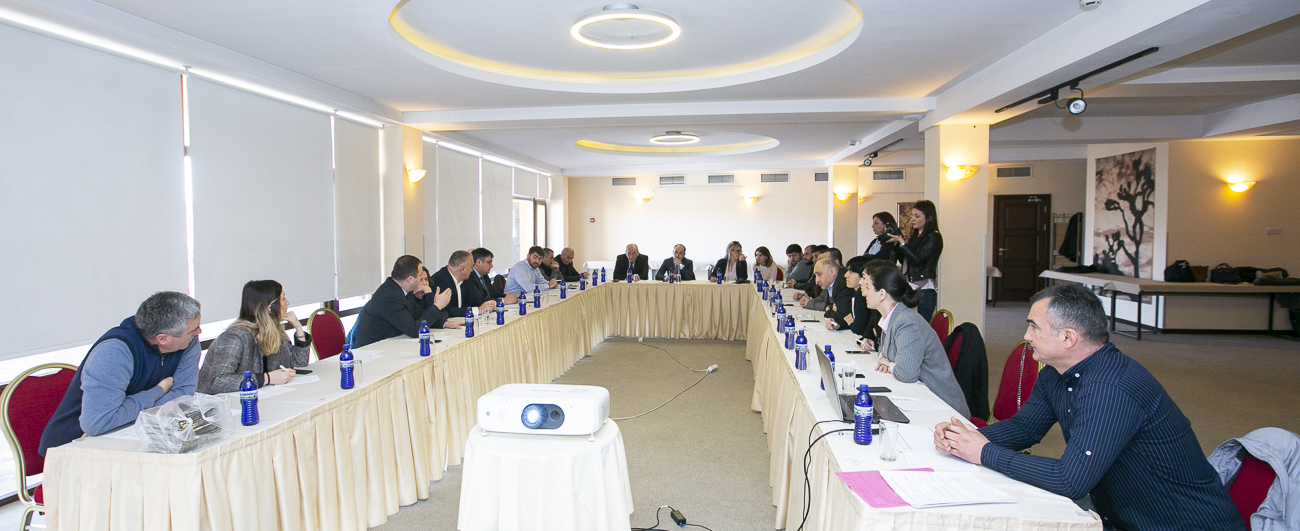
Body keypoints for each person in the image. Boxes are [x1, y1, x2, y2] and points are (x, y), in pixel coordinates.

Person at [934, 284, 1243, 531]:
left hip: (1179, 524)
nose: (1026, 337)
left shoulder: (1111, 388)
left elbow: (1070, 480)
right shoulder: (1056, 371)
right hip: (1120, 515)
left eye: (1033, 327)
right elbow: (1025, 427)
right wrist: (963, 437)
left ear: (1068, 337)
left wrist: (983, 451)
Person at [40, 291, 202, 454]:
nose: (199, 332)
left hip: (135, 435)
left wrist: (125, 413)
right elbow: (97, 423)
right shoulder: (114, 351)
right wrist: (159, 390)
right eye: (193, 330)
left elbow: (184, 394)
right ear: (162, 339)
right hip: (75, 446)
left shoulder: (186, 341)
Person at [863, 261, 969, 417]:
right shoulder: (892, 318)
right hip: (921, 397)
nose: (864, 293)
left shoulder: (906, 322)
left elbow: (906, 373)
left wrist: (891, 365)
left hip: (944, 407)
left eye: (867, 288)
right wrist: (891, 363)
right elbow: (885, 356)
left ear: (882, 294)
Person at [197, 280, 310, 394]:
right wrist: (267, 378)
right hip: (219, 402)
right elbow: (218, 381)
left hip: (257, 397)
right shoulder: (235, 337)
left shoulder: (274, 331)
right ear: (270, 308)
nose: (287, 302)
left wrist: (298, 328)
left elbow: (299, 363)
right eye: (283, 299)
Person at [352, 255, 459, 348]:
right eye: (420, 275)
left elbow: (419, 317)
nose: (421, 279)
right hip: (373, 350)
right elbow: (414, 330)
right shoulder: (390, 296)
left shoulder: (403, 290)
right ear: (410, 279)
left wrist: (444, 323)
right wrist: (437, 306)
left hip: (390, 346)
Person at [888, 200, 942, 321]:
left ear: (929, 218)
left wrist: (903, 242)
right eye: (912, 215)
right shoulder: (916, 236)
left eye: (917, 216)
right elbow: (905, 261)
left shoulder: (934, 237)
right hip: (910, 286)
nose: (912, 219)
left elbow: (918, 260)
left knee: (920, 324)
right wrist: (897, 244)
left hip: (924, 289)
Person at [825, 257, 881, 348]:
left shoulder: (864, 299)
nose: (846, 275)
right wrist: (838, 325)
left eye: (851, 272)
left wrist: (851, 323)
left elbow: (859, 328)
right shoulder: (856, 294)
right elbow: (848, 318)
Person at [432, 250, 497, 318]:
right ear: (462, 269)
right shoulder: (440, 280)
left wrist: (489, 304)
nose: (472, 270)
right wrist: (478, 310)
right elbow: (446, 311)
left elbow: (473, 300)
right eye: (471, 267)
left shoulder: (464, 280)